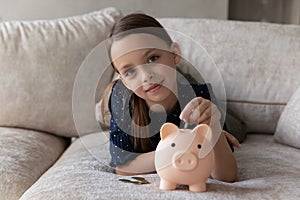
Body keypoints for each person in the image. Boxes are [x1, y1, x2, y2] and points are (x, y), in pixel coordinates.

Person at [100, 13, 239, 182]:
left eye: (153, 58)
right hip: (130, 95)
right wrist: (181, 147)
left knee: (235, 127)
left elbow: (226, 176)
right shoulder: (121, 97)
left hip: (183, 86)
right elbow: (122, 168)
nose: (146, 76)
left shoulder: (201, 95)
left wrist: (216, 129)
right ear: (123, 80)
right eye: (129, 71)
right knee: (104, 108)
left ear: (175, 54)